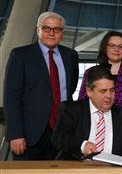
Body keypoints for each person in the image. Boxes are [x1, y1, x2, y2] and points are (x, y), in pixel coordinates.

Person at [4, 12, 79, 160]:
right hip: (29, 135)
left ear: (62, 33)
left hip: (62, 132)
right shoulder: (21, 55)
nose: (51, 33)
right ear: (38, 30)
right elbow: (11, 98)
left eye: (56, 29)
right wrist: (16, 134)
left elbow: (70, 88)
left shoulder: (71, 56)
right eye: (46, 28)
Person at [52, 66, 122, 160]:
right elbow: (58, 138)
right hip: (77, 168)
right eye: (103, 91)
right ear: (89, 92)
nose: (109, 96)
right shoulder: (72, 110)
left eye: (112, 90)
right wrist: (83, 145)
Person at [78, 31, 122, 107]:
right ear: (105, 48)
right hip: (97, 117)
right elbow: (83, 100)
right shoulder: (91, 72)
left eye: (121, 47)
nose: (116, 49)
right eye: (112, 46)